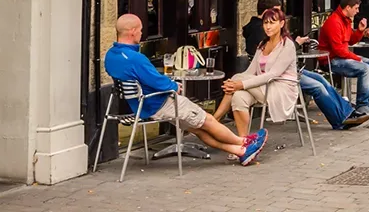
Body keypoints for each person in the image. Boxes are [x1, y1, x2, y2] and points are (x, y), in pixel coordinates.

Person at [105, 14, 267, 166]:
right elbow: (156, 81)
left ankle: (239, 151)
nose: (141, 33)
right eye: (140, 30)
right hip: (158, 103)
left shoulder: (111, 56)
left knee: (198, 128)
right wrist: (174, 86)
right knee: (207, 120)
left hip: (139, 106)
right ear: (132, 32)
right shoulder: (136, 59)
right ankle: (244, 142)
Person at [213, 7, 300, 135]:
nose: (268, 27)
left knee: (237, 78)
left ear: (281, 24)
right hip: (261, 87)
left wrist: (239, 84)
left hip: (280, 89)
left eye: (272, 23)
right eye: (265, 23)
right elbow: (250, 71)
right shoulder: (262, 44)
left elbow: (273, 74)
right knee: (238, 96)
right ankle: (244, 143)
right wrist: (237, 85)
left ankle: (214, 120)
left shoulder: (287, 45)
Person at [320, 0, 369, 116]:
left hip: (342, 56)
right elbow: (338, 50)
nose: (357, 11)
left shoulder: (346, 20)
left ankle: (366, 101)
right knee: (365, 68)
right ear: (348, 7)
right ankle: (361, 105)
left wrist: (359, 31)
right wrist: (357, 59)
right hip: (331, 60)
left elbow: (351, 41)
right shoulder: (334, 22)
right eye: (356, 8)